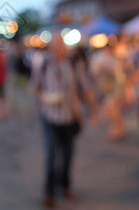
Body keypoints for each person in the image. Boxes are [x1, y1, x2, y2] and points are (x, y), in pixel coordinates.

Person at [35, 32, 96, 209]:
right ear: (50, 46)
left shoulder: (73, 63)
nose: (58, 48)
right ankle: (49, 192)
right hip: (50, 116)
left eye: (61, 44)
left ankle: (65, 185)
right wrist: (45, 97)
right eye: (55, 45)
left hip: (70, 116)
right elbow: (35, 88)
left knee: (68, 154)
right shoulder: (44, 64)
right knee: (51, 154)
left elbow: (84, 86)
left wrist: (93, 111)